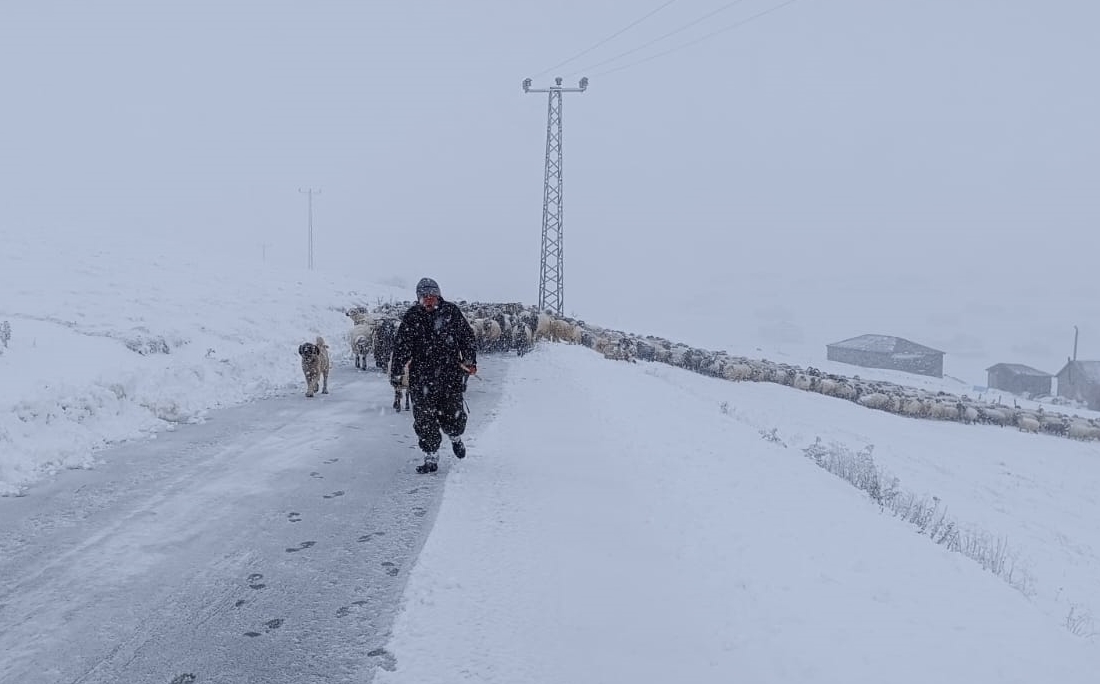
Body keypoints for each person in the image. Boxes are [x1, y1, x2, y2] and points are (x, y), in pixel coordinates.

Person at [390, 277, 478, 474]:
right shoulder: (412, 316)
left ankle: (455, 437)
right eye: (424, 297)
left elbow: (466, 337)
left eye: (432, 296)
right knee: (424, 417)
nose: (428, 300)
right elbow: (401, 345)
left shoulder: (451, 312)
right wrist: (396, 370)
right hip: (421, 376)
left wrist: (469, 360)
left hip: (449, 374)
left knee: (452, 413)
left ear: (438, 296)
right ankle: (431, 455)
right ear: (418, 298)